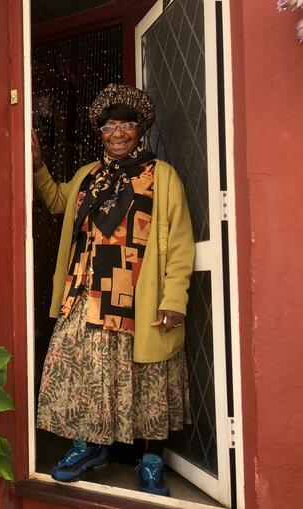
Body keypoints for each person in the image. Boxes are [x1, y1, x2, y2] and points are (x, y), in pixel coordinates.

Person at [33, 84, 194, 497]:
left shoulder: (162, 176)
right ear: (100, 132)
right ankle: (89, 447)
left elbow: (178, 241)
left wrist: (174, 298)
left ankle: (151, 459)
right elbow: (56, 202)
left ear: (140, 130)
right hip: (85, 292)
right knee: (84, 374)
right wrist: (37, 165)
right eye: (109, 125)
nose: (118, 132)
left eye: (127, 124)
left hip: (138, 294)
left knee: (147, 378)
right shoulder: (89, 176)